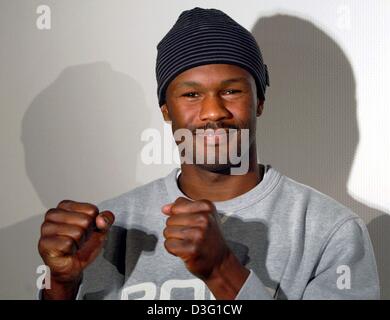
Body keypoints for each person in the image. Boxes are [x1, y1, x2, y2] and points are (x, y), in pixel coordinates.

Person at [37, 7, 379, 300]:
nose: (214, 111)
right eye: (191, 95)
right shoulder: (108, 227)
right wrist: (61, 286)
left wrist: (222, 272)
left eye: (230, 91)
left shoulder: (330, 230)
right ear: (166, 110)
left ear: (259, 101)